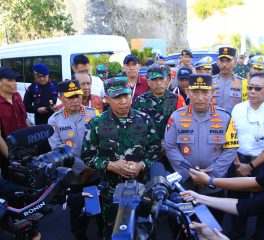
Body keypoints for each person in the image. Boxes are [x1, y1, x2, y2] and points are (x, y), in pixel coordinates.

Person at [81, 77, 160, 239]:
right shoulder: (97, 123)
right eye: (117, 97)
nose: (123, 101)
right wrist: (110, 165)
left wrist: (142, 165)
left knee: (145, 230)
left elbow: (155, 150)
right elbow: (87, 156)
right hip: (111, 193)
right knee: (113, 232)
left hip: (142, 190)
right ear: (107, 99)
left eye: (126, 95)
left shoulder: (144, 120)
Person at [164, 74, 238, 223]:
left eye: (204, 92)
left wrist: (212, 175)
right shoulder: (176, 117)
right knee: (186, 224)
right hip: (185, 186)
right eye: (195, 92)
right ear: (188, 92)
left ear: (212, 92)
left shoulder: (225, 118)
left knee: (213, 226)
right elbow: (170, 147)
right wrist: (189, 172)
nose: (200, 97)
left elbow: (230, 148)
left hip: (213, 186)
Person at [229, 72, 264, 239]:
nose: (252, 91)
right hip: (239, 160)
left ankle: (260, 235)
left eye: (257, 88)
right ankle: (236, 234)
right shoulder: (238, 108)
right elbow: (231, 138)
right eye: (250, 87)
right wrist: (238, 163)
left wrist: (251, 166)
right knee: (238, 200)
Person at [48, 79, 100, 240]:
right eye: (70, 97)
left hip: (95, 173)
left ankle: (100, 232)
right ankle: (80, 235)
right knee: (76, 209)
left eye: (77, 95)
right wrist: (83, 168)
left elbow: (103, 143)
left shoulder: (94, 114)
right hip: (73, 176)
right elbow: (58, 149)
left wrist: (92, 167)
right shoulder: (54, 120)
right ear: (62, 98)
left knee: (96, 206)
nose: (76, 100)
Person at [133, 65, 185, 169]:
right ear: (148, 82)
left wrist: (168, 142)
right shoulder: (140, 100)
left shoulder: (176, 99)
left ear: (167, 80)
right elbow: (136, 126)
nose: (158, 83)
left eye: (161, 79)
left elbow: (183, 125)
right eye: (154, 79)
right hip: (148, 150)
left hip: (171, 149)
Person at [0, 67, 27, 179]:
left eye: (15, 80)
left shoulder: (17, 96)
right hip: (8, 157)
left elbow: (25, 120)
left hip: (25, 151)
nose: (14, 83)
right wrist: (12, 160)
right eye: (10, 80)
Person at [212, 47, 247, 113]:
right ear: (217, 62)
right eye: (222, 61)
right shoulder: (210, 82)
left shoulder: (243, 83)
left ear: (235, 62)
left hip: (234, 121)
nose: (224, 65)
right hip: (214, 121)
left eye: (228, 61)